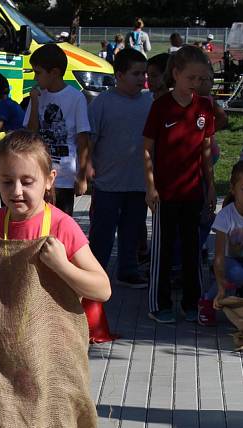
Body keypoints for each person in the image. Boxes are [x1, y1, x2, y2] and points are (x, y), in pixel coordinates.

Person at [0, 129, 110, 301]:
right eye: (7, 182)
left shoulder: (61, 226)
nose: (16, 191)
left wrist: (63, 266)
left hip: (48, 327)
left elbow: (103, 290)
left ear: (49, 180)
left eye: (27, 182)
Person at [143, 45, 216, 324]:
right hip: (165, 193)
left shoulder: (204, 107)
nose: (196, 84)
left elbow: (206, 150)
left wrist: (209, 186)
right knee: (162, 249)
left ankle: (191, 301)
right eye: (191, 78)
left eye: (201, 79)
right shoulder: (160, 106)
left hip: (193, 192)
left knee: (192, 248)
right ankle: (158, 303)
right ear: (175, 74)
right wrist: (151, 186)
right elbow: (147, 148)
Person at [88, 48, 152, 289]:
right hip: (108, 183)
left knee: (133, 230)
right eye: (136, 74)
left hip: (138, 182)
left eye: (144, 74)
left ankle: (128, 270)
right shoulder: (102, 103)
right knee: (102, 231)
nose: (141, 79)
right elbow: (91, 139)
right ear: (119, 74)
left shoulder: (149, 102)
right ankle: (95, 272)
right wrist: (87, 166)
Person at [24, 43, 90, 217]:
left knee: (60, 225)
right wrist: (35, 102)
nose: (35, 78)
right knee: (38, 222)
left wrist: (81, 177)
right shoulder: (37, 95)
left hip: (64, 178)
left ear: (54, 72)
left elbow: (83, 139)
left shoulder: (76, 98)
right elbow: (30, 134)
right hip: (39, 174)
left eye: (38, 73)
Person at [198, 161, 243, 325]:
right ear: (233, 189)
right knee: (238, 275)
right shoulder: (225, 216)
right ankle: (206, 301)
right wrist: (220, 285)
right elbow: (218, 257)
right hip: (227, 262)